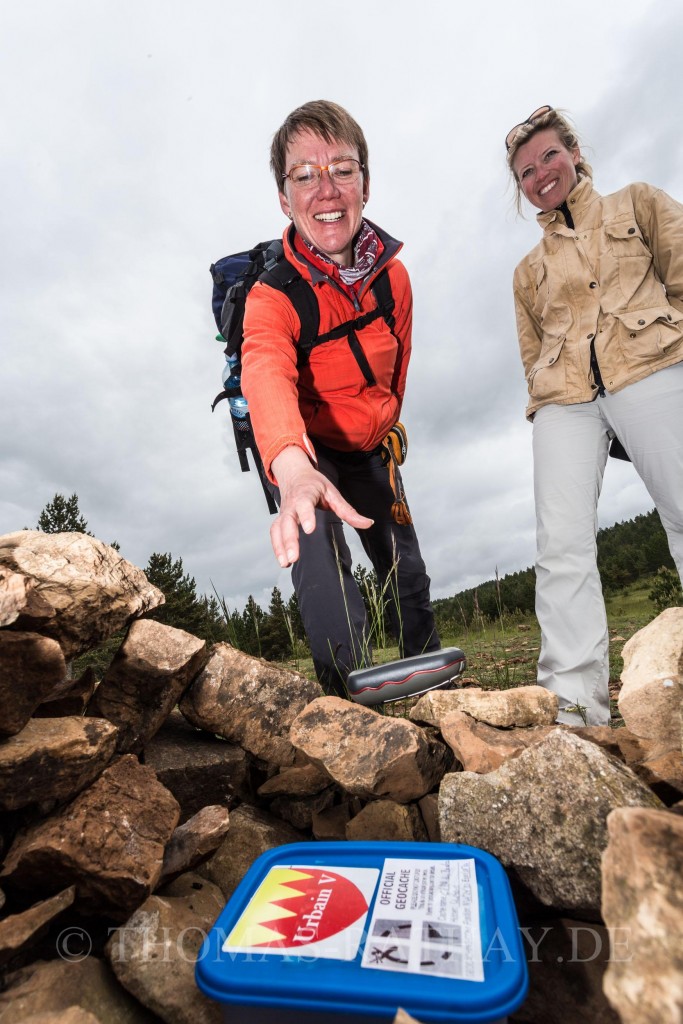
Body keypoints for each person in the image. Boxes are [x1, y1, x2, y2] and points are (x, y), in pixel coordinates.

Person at [240, 99, 440, 696]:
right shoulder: (272, 297)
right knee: (320, 560)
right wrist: (293, 469)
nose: (326, 189)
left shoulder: (394, 279)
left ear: (365, 185)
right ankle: (344, 705)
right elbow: (264, 371)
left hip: (371, 448)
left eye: (343, 170)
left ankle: (432, 687)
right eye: (305, 175)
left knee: (405, 570)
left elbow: (396, 371)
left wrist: (384, 428)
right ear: (285, 199)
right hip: (307, 453)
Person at [506, 105, 683, 726]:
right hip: (565, 397)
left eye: (549, 156)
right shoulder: (527, 272)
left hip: (650, 364)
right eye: (526, 172)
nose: (540, 175)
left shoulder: (638, 203)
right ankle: (575, 713)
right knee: (561, 547)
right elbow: (532, 354)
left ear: (575, 153)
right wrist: (548, 389)